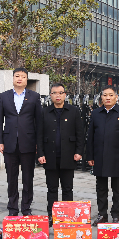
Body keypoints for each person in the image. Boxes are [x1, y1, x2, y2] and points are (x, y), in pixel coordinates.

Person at [0, 68, 43, 216]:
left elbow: (39, 122)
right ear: (13, 78)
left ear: (27, 80)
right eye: (17, 76)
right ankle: (13, 208)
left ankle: (26, 208)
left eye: (23, 76)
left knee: (28, 178)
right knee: (11, 178)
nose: (20, 79)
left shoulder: (34, 96)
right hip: (9, 143)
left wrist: (38, 144)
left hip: (28, 143)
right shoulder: (4, 96)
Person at [37, 83, 84, 226]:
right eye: (54, 93)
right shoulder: (44, 112)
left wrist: (79, 151)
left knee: (67, 188)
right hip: (49, 156)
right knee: (52, 188)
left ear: (65, 95)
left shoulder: (74, 111)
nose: (58, 95)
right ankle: (52, 216)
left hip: (69, 156)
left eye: (60, 93)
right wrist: (40, 153)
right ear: (50, 95)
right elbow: (39, 135)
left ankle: (67, 216)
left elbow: (80, 133)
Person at [86, 86, 119, 225]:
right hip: (99, 155)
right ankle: (102, 214)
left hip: (117, 156)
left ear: (116, 97)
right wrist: (90, 156)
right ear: (101, 97)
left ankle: (116, 214)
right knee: (101, 187)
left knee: (117, 188)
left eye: (111, 95)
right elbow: (90, 136)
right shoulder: (96, 113)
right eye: (105, 95)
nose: (108, 97)